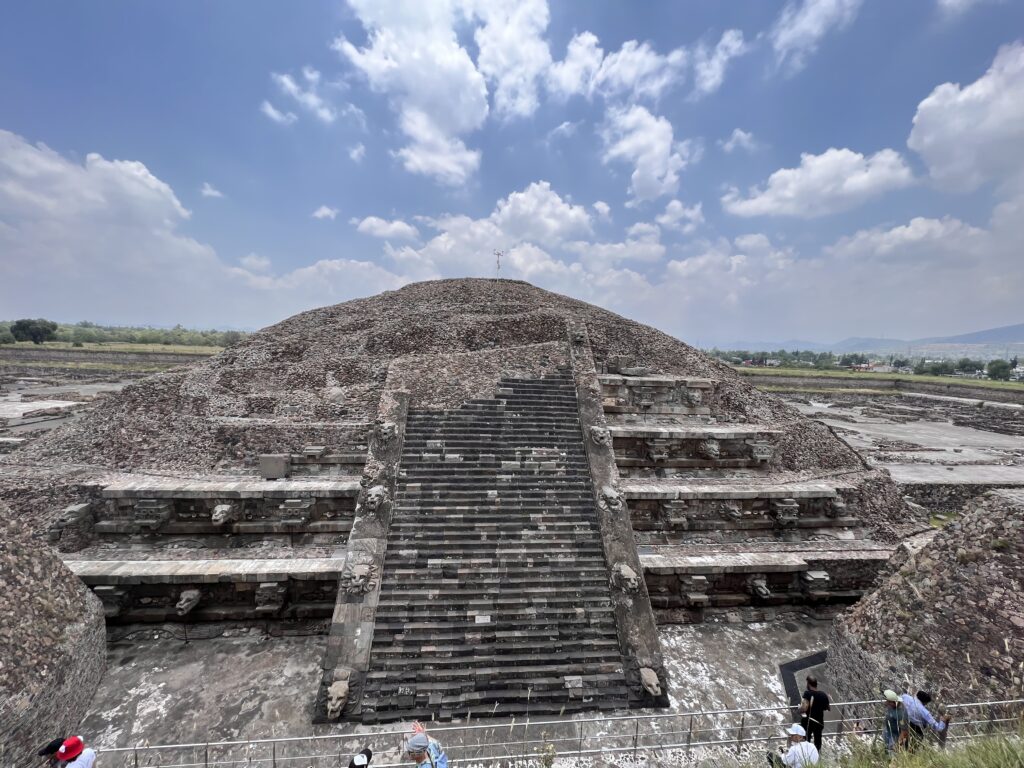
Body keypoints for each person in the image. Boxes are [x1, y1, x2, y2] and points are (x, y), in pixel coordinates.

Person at [798, 675, 830, 752]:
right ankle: (816, 755)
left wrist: (799, 709)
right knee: (818, 741)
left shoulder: (807, 694)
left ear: (808, 684)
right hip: (819, 722)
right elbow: (828, 708)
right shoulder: (823, 694)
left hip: (808, 722)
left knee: (806, 740)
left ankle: (806, 755)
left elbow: (804, 709)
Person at [882, 689, 907, 754]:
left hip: (895, 737)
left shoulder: (900, 714)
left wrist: (898, 744)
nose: (887, 703)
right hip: (888, 732)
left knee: (892, 753)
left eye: (888, 702)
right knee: (887, 750)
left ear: (893, 702)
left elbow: (904, 731)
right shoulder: (891, 707)